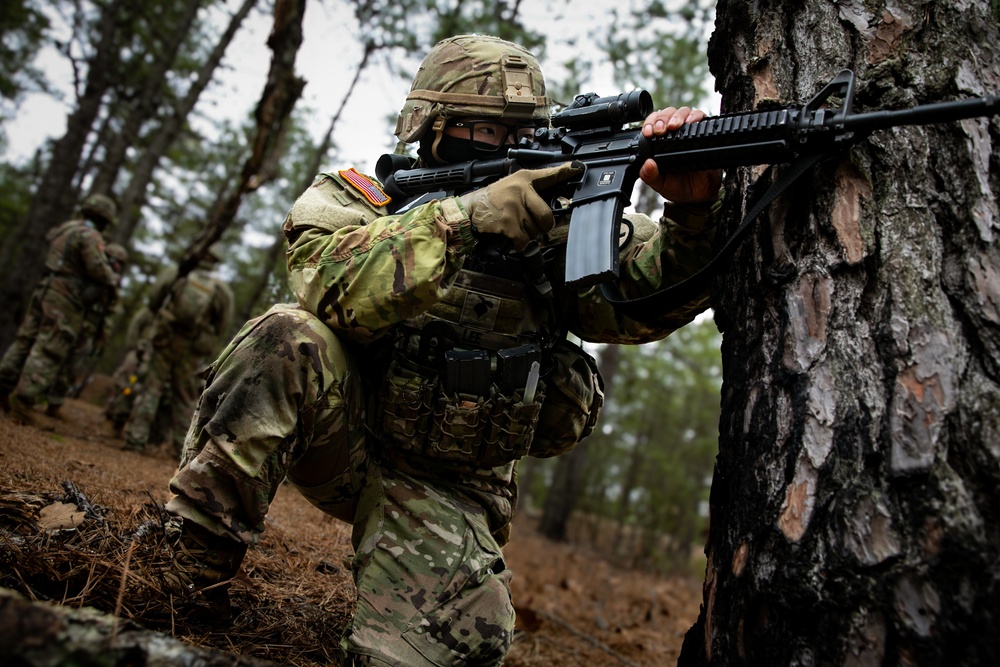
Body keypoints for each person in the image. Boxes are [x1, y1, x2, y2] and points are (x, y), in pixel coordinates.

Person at [159, 35, 723, 666]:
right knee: (284, 336)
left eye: (522, 134)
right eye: (484, 131)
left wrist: (693, 216)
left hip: (450, 484)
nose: (507, 149)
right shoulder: (360, 198)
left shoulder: (565, 218)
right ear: (431, 129)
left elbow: (640, 303)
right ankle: (185, 573)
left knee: (445, 652)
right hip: (342, 438)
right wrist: (468, 219)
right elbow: (330, 281)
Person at [0, 194, 120, 420]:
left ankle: (4, 387)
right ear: (103, 219)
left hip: (45, 287)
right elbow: (96, 267)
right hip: (66, 297)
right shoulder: (89, 235)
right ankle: (24, 403)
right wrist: (111, 277)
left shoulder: (64, 229)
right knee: (49, 347)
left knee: (25, 339)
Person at [122, 245, 234, 454]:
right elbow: (222, 325)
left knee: (151, 389)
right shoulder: (221, 289)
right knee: (184, 396)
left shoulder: (178, 274)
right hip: (191, 348)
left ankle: (135, 440)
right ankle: (181, 449)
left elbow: (154, 300)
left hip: (165, 340)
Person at [48, 242, 129, 414]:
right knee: (53, 355)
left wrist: (102, 337)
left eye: (119, 263)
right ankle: (32, 394)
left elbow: (109, 312)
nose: (116, 265)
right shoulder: (90, 274)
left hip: (88, 329)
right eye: (113, 260)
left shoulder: (112, 285)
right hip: (70, 322)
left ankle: (54, 402)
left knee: (72, 367)